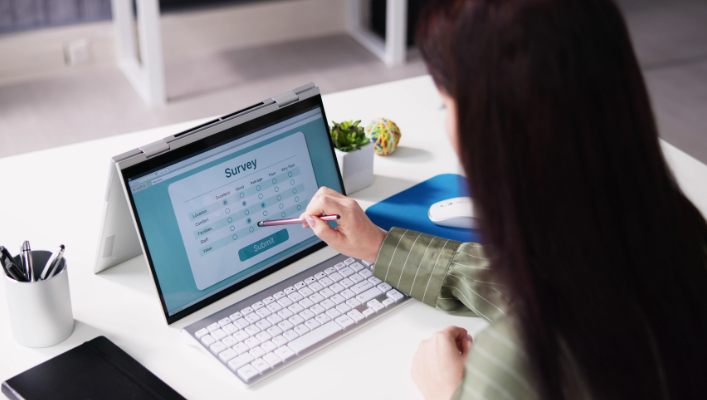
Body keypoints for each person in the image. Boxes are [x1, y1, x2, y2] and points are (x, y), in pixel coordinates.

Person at [299, 0, 707, 399]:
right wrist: (379, 246)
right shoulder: (682, 232)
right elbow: (537, 287)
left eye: (446, 104)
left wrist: (449, 391)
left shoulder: (513, 367)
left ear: (493, 132)